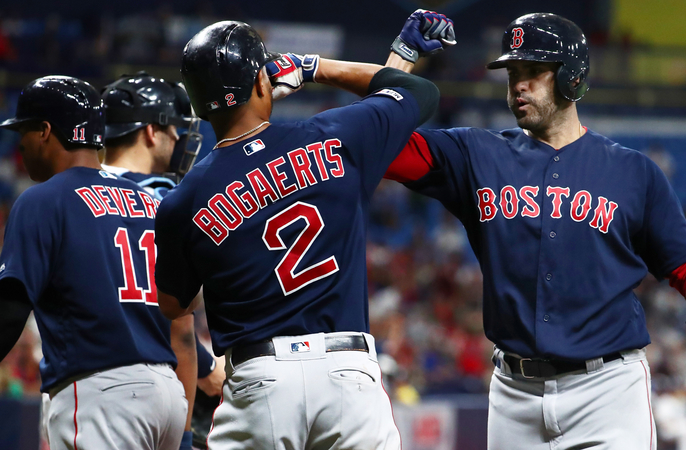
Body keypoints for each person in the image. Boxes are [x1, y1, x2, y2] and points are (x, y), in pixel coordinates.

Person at [381, 13, 686, 449]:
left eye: (533, 71)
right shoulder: (476, 154)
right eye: (513, 73)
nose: (519, 85)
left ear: (573, 77)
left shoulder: (632, 171)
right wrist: (401, 58)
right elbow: (379, 141)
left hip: (608, 392)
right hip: (514, 396)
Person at [154, 14, 452, 450]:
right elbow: (417, 93)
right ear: (264, 81)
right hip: (348, 375)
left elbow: (171, 305)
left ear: (198, 103)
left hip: (261, 380)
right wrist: (313, 66)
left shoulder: (184, 200)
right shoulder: (334, 135)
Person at [0, 76, 188, 450]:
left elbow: (10, 308)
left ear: (45, 131)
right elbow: (182, 315)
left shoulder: (43, 199)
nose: (20, 143)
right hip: (167, 393)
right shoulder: (151, 202)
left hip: (102, 392)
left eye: (24, 130)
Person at [101, 72, 228, 447]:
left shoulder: (75, 190)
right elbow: (176, 328)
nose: (178, 138)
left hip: (80, 383)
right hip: (152, 380)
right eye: (173, 129)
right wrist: (207, 366)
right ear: (151, 131)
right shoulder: (169, 200)